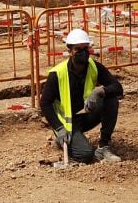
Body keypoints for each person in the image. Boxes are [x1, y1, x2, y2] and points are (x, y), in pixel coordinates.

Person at [40, 28, 124, 163]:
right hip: (67, 125)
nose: (83, 53)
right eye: (78, 49)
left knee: (111, 99)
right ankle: (62, 140)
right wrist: (59, 128)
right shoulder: (57, 74)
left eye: (85, 48)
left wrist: (99, 91)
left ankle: (103, 147)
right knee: (85, 155)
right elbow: (45, 103)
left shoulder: (94, 67)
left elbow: (118, 88)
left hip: (85, 115)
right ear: (70, 51)